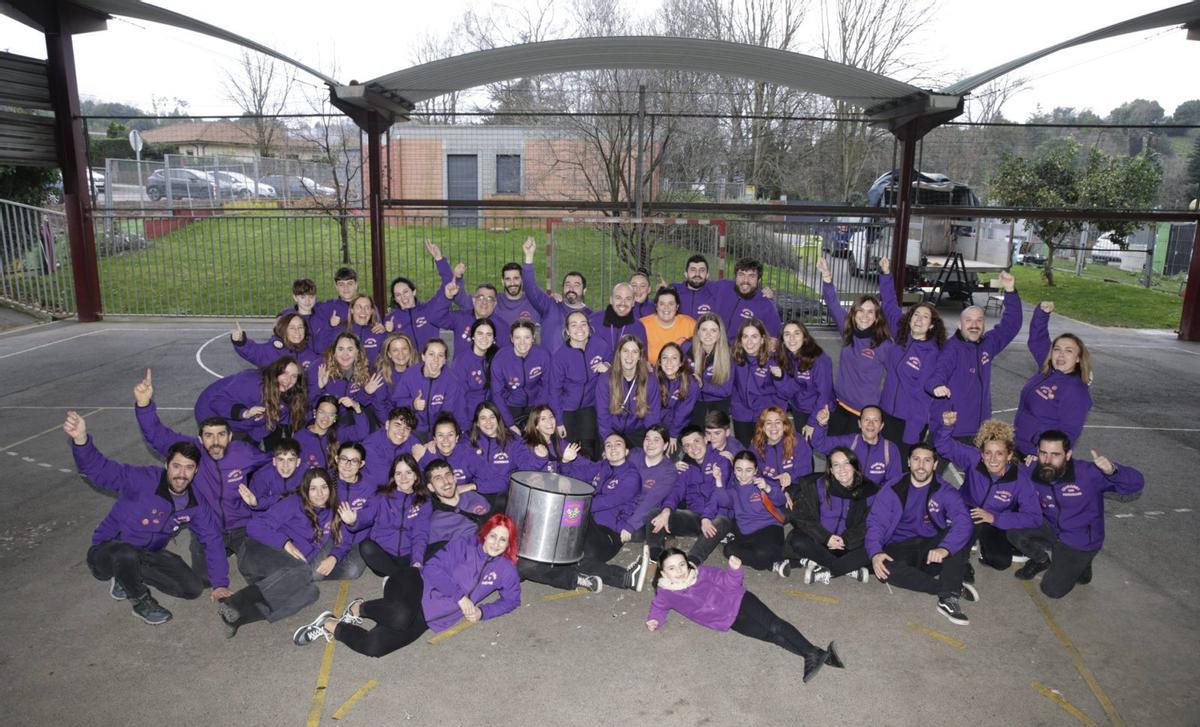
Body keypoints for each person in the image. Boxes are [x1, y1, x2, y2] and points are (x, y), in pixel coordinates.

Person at [64, 411, 229, 626]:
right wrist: (81, 440)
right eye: (176, 466)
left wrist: (220, 584)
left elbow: (213, 540)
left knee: (192, 589)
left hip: (147, 553)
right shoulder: (141, 480)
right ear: (166, 465)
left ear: (196, 471)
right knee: (125, 553)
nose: (181, 474)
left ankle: (127, 575)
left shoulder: (196, 504)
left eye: (189, 468)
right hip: (108, 551)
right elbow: (100, 470)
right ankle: (141, 601)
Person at [292, 515, 521, 657]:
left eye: (503, 540)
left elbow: (512, 600)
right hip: (414, 583)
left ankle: (329, 624)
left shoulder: (506, 569)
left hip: (431, 618)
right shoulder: (464, 545)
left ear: (509, 543)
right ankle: (358, 608)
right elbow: (432, 568)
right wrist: (460, 597)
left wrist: (483, 612)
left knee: (374, 648)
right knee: (400, 615)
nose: (496, 544)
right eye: (493, 536)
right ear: (485, 534)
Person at [133, 370, 272, 579]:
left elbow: (278, 461)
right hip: (209, 530)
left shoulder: (244, 452)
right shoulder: (190, 454)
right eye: (208, 436)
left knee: (257, 573)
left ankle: (243, 551)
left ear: (230, 436)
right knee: (203, 580)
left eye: (221, 435)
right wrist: (144, 406)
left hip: (242, 526)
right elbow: (156, 435)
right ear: (200, 439)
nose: (215, 442)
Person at [646, 549, 843, 683]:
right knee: (771, 637)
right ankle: (820, 655)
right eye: (672, 568)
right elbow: (659, 606)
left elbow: (729, 582)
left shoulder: (701, 573)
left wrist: (734, 570)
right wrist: (655, 619)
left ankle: (810, 653)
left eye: (682, 564)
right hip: (729, 621)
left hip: (740, 600)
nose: (679, 571)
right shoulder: (666, 592)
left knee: (775, 625)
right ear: (663, 572)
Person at [1008, 431, 1144, 598]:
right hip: (1051, 528)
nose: (1048, 460)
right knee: (1013, 527)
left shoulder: (1088, 474)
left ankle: (1083, 564)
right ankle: (1041, 560)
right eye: (1043, 453)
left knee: (1052, 590)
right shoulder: (1032, 470)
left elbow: (1136, 484)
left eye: (1055, 454)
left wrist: (1113, 471)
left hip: (1080, 539)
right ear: (1037, 452)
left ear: (1068, 455)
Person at [219, 468, 349, 636]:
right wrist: (285, 543)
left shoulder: (334, 512)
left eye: (324, 487)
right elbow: (254, 526)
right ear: (305, 489)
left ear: (330, 489)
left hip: (278, 577)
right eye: (313, 488)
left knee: (311, 593)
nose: (319, 493)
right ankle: (235, 603)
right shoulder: (294, 503)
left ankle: (238, 618)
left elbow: (345, 539)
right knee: (304, 572)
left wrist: (334, 557)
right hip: (256, 553)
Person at [865, 444, 978, 626]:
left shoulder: (944, 490)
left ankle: (948, 599)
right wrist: (876, 552)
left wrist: (944, 549)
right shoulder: (893, 488)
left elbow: (963, 521)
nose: (921, 465)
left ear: (935, 464)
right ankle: (948, 587)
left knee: (959, 533)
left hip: (931, 549)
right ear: (909, 462)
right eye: (916, 459)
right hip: (901, 546)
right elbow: (875, 522)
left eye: (927, 460)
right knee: (883, 568)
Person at [932, 413, 1042, 574]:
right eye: (988, 453)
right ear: (982, 455)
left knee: (1000, 561)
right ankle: (961, 564)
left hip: (995, 518)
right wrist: (946, 426)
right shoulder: (973, 458)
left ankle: (983, 544)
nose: (993, 459)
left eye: (999, 453)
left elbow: (1035, 517)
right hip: (968, 510)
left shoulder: (1021, 480)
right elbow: (943, 445)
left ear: (1009, 455)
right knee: (959, 536)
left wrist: (995, 518)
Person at [928, 270, 1021, 441]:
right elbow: (938, 372)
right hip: (950, 428)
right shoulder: (952, 349)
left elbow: (1011, 325)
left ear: (984, 324)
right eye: (968, 320)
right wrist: (936, 385)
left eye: (979, 320)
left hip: (979, 431)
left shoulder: (988, 344)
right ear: (959, 325)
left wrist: (1010, 291)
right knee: (930, 467)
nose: (974, 325)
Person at [817, 256, 899, 438]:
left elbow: (899, 373)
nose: (865, 316)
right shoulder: (848, 331)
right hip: (839, 406)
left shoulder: (884, 344)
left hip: (863, 415)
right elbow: (832, 303)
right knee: (835, 458)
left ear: (877, 317)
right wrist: (826, 277)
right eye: (860, 310)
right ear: (853, 314)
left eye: (870, 312)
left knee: (856, 463)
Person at [564, 433, 653, 592]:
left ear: (626, 451)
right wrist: (565, 461)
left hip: (608, 535)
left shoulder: (631, 476)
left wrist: (574, 507)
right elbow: (572, 477)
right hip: (590, 535)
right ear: (604, 450)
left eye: (618, 444)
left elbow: (607, 501)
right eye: (609, 445)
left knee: (574, 517)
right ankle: (627, 578)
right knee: (571, 559)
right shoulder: (602, 466)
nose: (613, 448)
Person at [877, 257, 946, 451]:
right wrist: (886, 273)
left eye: (925, 317)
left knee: (901, 465)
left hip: (909, 422)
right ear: (909, 318)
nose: (919, 319)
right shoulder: (901, 335)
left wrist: (913, 431)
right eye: (916, 314)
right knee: (884, 460)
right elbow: (890, 304)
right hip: (887, 412)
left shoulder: (932, 353)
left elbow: (924, 397)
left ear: (932, 325)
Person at [785, 447, 878, 585]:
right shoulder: (817, 485)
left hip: (849, 544)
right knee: (797, 539)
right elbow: (802, 516)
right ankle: (847, 569)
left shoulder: (869, 490)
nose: (842, 469)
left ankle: (824, 567)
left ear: (854, 465)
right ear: (831, 470)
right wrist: (826, 537)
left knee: (875, 547)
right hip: (820, 541)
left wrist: (846, 539)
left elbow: (870, 523)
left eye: (846, 463)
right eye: (836, 465)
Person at [1013, 301, 1093, 457]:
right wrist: (1042, 313)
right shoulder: (1048, 369)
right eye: (1057, 349)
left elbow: (1069, 433)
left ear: (1078, 358)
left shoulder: (1076, 391)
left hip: (1037, 457)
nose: (1061, 355)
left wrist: (1044, 455)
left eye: (1069, 351)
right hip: (1018, 448)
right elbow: (1037, 339)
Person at [647, 426, 734, 566]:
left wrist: (707, 518)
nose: (693, 448)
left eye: (696, 441)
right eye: (687, 445)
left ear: (706, 440)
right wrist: (666, 510)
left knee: (721, 521)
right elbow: (676, 491)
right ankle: (655, 555)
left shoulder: (722, 462)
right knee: (655, 513)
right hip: (696, 517)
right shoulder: (685, 467)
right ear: (684, 449)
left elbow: (717, 494)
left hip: (718, 516)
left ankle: (692, 561)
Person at [344, 453, 432, 577]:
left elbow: (420, 533)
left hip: (409, 556)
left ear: (416, 475)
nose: (403, 477)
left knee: (441, 546)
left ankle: (397, 577)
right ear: (393, 477)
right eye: (398, 473)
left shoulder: (423, 500)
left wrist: (416, 561)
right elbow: (367, 515)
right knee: (366, 546)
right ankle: (401, 577)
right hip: (384, 557)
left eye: (408, 472)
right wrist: (354, 521)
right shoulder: (381, 496)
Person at [193, 356, 307, 445]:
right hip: (209, 410)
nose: (288, 380)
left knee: (243, 454)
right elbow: (216, 401)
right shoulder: (252, 382)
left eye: (294, 376)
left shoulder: (287, 402)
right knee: (219, 452)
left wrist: (252, 444)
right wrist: (244, 413)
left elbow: (267, 426)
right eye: (285, 373)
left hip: (242, 423)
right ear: (276, 371)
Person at [548, 309, 608, 459]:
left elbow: (614, 360)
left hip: (589, 406)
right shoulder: (560, 357)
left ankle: (590, 479)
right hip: (567, 408)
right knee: (569, 449)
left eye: (583, 324)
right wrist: (559, 421)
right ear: (567, 331)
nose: (579, 329)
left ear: (589, 327)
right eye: (573, 325)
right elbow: (554, 391)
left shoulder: (600, 345)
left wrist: (608, 365)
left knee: (588, 448)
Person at [717, 450, 789, 575]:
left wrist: (768, 488)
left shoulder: (762, 483)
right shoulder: (733, 488)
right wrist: (718, 480)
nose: (743, 475)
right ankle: (773, 563)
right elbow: (722, 501)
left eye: (748, 470)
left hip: (770, 528)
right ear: (734, 470)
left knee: (762, 554)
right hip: (746, 533)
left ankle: (773, 559)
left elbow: (781, 501)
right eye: (739, 470)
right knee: (728, 551)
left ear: (755, 470)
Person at [520, 236, 590, 355]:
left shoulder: (590, 316)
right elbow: (530, 288)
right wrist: (529, 256)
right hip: (548, 369)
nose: (571, 288)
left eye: (576, 285)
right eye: (567, 284)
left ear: (584, 291)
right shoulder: (550, 305)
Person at [373, 338, 453, 438]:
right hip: (408, 428)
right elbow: (392, 403)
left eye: (440, 355)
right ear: (423, 356)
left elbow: (453, 411)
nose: (436, 359)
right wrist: (412, 404)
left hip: (438, 430)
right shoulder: (408, 374)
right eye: (395, 350)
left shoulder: (450, 379)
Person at [382, 240, 456, 349]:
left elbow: (449, 284)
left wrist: (439, 259)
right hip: (406, 365)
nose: (403, 297)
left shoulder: (429, 309)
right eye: (398, 295)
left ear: (414, 291)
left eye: (405, 292)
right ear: (395, 299)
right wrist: (388, 332)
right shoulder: (391, 319)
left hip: (430, 362)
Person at [811, 404, 902, 487]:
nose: (870, 424)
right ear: (859, 424)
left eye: (875, 420)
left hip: (875, 500)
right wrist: (821, 424)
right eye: (866, 419)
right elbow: (820, 444)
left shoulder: (890, 449)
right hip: (848, 495)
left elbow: (893, 483)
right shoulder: (849, 442)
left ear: (881, 426)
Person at [596, 335, 662, 446]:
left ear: (640, 356)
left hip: (638, 432)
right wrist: (608, 441)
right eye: (625, 351)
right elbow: (603, 416)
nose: (629, 356)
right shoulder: (605, 379)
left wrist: (650, 441)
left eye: (635, 352)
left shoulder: (650, 380)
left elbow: (653, 415)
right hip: (612, 431)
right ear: (619, 353)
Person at [729, 319, 786, 447]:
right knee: (745, 452)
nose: (749, 342)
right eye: (745, 336)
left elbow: (783, 392)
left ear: (762, 339)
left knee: (766, 453)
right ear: (740, 339)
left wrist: (777, 416)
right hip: (741, 414)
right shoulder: (734, 359)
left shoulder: (773, 360)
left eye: (754, 336)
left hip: (764, 415)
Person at [308, 332, 377, 434]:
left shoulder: (367, 370)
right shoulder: (320, 368)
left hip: (352, 418)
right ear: (334, 352)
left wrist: (366, 393)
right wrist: (319, 387)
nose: (345, 354)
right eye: (340, 349)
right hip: (326, 419)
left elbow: (364, 404)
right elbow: (309, 403)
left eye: (350, 349)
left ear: (357, 351)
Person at [424, 458, 492, 560]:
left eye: (448, 475)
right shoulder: (436, 523)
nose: (446, 482)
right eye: (438, 478)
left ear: (455, 478)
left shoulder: (475, 497)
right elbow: (436, 558)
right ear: (431, 487)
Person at [776, 320, 834, 439]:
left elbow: (824, 394)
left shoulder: (820, 360)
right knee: (804, 450)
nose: (792, 338)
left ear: (804, 336)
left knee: (828, 450)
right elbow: (789, 389)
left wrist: (812, 423)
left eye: (796, 333)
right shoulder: (787, 356)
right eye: (787, 334)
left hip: (820, 412)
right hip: (800, 409)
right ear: (782, 339)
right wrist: (779, 377)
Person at [490, 320, 551, 431]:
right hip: (510, 406)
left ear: (533, 338)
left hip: (536, 404)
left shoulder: (543, 355)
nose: (522, 342)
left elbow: (546, 385)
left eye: (527, 337)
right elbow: (497, 393)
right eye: (518, 337)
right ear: (512, 339)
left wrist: (535, 416)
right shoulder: (500, 358)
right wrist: (510, 424)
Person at [416, 414, 486, 504]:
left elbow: (492, 479)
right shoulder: (426, 455)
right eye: (440, 435)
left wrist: (472, 486)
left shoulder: (467, 453)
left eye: (450, 435)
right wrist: (416, 458)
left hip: (466, 500)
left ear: (457, 438)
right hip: (437, 504)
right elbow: (415, 484)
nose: (446, 440)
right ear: (434, 439)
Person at [294, 395, 368, 472]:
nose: (326, 418)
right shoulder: (300, 437)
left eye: (331, 415)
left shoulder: (338, 432)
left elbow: (362, 432)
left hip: (334, 480)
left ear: (335, 418)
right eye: (322, 412)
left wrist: (356, 407)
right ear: (315, 413)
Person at [468, 402, 521, 504]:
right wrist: (430, 444)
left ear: (498, 419)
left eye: (492, 417)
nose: (488, 422)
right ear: (477, 423)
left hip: (505, 495)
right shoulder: (468, 441)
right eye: (483, 418)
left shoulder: (514, 441)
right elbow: (447, 444)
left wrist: (540, 457)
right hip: (477, 495)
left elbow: (524, 470)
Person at [448, 318, 498, 427]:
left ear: (493, 339)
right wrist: (465, 427)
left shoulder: (497, 359)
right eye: (480, 333)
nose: (484, 338)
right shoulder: (462, 362)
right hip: (469, 420)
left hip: (491, 419)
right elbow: (458, 399)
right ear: (473, 337)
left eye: (489, 334)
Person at [751, 406, 814, 492]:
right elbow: (753, 473)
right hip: (769, 490)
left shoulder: (797, 441)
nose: (773, 427)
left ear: (784, 425)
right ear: (763, 427)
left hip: (797, 488)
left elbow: (806, 468)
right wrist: (774, 489)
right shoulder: (755, 447)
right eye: (768, 423)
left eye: (777, 422)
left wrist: (789, 475)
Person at [686, 313, 733, 426]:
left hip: (718, 405)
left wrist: (703, 386)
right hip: (693, 404)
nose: (708, 334)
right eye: (704, 329)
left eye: (713, 330)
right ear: (697, 332)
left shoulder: (729, 354)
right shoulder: (686, 349)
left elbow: (726, 390)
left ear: (719, 334)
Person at [717, 257, 781, 339]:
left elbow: (775, 340)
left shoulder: (767, 306)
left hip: (741, 351)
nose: (745, 280)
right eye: (741, 274)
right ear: (735, 277)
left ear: (759, 280)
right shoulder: (723, 287)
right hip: (716, 348)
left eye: (751, 276)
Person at [231, 314, 320, 372]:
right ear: (283, 330)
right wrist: (241, 340)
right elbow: (254, 351)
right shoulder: (273, 351)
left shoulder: (311, 354)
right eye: (292, 328)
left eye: (300, 327)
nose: (297, 331)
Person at [358, 406, 420, 488]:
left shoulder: (411, 440)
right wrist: (414, 460)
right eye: (397, 425)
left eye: (407, 428)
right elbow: (384, 480)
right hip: (377, 491)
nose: (402, 431)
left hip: (405, 487)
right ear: (387, 425)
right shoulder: (370, 446)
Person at [511, 405, 583, 474]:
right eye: (543, 419)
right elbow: (522, 472)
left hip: (554, 484)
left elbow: (568, 473)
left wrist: (565, 462)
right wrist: (539, 459)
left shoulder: (559, 442)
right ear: (536, 426)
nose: (549, 422)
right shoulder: (525, 444)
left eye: (551, 417)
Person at [655, 342, 698, 454]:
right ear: (659, 362)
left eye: (674, 358)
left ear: (680, 363)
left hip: (679, 430)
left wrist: (673, 435)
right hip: (658, 428)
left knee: (671, 458)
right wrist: (655, 433)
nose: (669, 362)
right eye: (665, 358)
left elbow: (683, 413)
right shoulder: (653, 380)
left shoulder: (690, 383)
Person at [588, 282, 648, 360]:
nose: (623, 303)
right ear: (611, 300)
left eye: (628, 299)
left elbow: (642, 358)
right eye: (618, 298)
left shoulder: (638, 327)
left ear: (633, 302)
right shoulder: (594, 321)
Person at [435, 281, 501, 350]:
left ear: (495, 304)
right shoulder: (460, 317)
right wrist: (446, 298)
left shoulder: (502, 327)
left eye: (489, 299)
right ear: (473, 300)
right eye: (481, 297)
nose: (484, 302)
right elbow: (435, 317)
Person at [312, 266, 371, 342]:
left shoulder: (367, 306)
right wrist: (329, 324)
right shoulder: (326, 308)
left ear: (356, 285)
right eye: (341, 284)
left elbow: (376, 328)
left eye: (350, 283)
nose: (346, 288)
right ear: (336, 286)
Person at [642, 287, 696, 363]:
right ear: (656, 306)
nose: (666, 307)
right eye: (662, 304)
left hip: (683, 372)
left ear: (677, 307)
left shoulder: (690, 324)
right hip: (651, 373)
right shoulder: (643, 325)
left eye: (671, 304)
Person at [670, 254, 722, 319]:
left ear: (707, 275)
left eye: (702, 270)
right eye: (693, 270)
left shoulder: (716, 292)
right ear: (686, 274)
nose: (697, 274)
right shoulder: (674, 291)